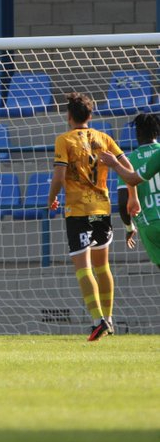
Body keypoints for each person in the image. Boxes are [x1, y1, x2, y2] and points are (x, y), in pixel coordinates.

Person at [47, 92, 131, 342]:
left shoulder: (64, 140)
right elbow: (127, 168)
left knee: (84, 270)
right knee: (103, 267)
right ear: (91, 115)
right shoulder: (104, 138)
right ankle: (110, 318)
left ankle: (97, 321)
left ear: (68, 116)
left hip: (78, 211)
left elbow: (59, 177)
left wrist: (51, 198)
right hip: (102, 210)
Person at [99, 113, 160, 269]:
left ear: (137, 133)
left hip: (150, 224)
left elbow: (123, 201)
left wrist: (129, 227)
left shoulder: (131, 160)